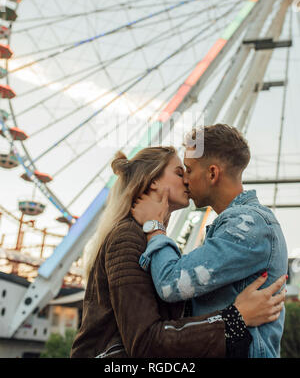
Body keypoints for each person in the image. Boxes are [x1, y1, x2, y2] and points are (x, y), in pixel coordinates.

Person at [70, 146, 286, 359]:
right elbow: (145, 342)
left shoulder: (152, 241)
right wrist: (236, 319)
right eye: (180, 172)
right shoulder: (127, 237)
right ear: (153, 180)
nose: (186, 180)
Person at [132, 125, 288, 358]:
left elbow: (170, 282)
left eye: (189, 169)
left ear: (213, 174)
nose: (185, 179)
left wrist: (155, 227)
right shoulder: (242, 225)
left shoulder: (247, 226)